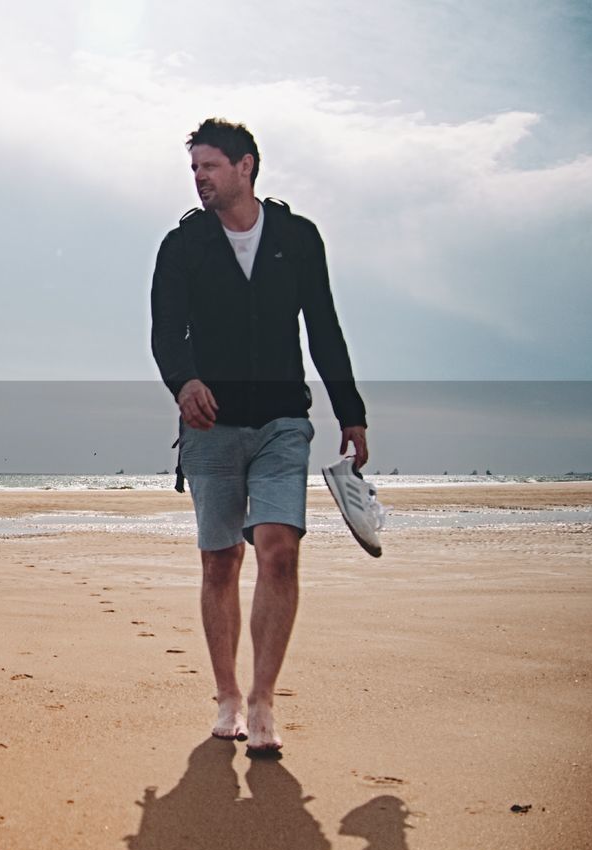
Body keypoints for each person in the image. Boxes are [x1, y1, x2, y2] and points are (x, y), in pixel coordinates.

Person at [150, 118, 368, 753]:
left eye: (210, 166)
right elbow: (166, 332)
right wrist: (184, 383)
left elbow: (323, 329)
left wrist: (350, 412)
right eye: (194, 169)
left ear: (246, 166)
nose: (200, 178)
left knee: (278, 548)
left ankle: (265, 700)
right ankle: (227, 697)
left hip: (282, 422)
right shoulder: (182, 245)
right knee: (222, 559)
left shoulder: (297, 239)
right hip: (210, 425)